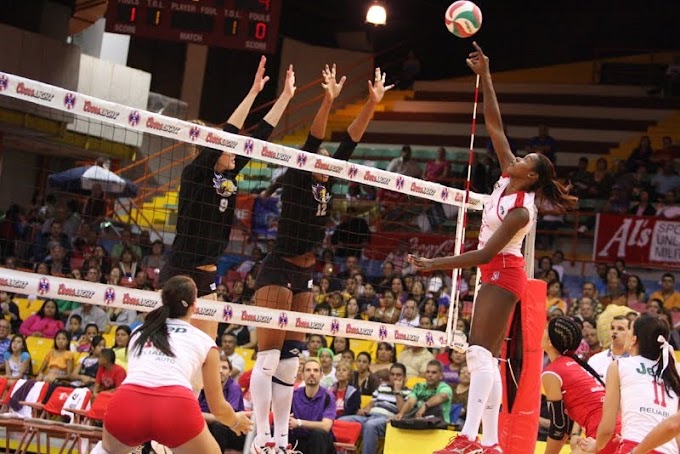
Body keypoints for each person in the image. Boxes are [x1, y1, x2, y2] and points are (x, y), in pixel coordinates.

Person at [411, 42, 577, 454]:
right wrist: (485, 74)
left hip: (504, 272)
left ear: (532, 176)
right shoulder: (507, 176)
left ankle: (470, 436)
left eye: (527, 158)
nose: (517, 156)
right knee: (486, 356)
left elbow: (486, 255)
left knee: (478, 352)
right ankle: (490, 442)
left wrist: (436, 264)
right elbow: (494, 124)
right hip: (494, 272)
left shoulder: (522, 211)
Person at [250, 66, 391, 453]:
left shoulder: (329, 181)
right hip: (277, 268)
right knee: (267, 358)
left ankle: (279, 442)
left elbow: (350, 142)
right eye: (321, 159)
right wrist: (328, 100)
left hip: (305, 275)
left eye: (332, 161)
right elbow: (316, 139)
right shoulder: (299, 177)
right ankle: (261, 437)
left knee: (290, 364)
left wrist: (372, 104)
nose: (328, 162)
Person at [157, 57, 295, 302]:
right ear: (213, 152)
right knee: (162, 337)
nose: (234, 151)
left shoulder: (229, 171)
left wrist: (284, 97)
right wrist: (253, 92)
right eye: (228, 147)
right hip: (180, 269)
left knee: (209, 340)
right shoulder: (195, 174)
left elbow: (259, 137)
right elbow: (229, 133)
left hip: (208, 272)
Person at [94, 275, 252, 454]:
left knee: (106, 450)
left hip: (129, 401)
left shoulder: (138, 332)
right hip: (175, 407)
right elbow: (218, 407)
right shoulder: (205, 341)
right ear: (194, 306)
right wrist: (235, 421)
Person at [579, 314, 680, 454]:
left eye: (629, 329)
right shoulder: (674, 372)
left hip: (635, 446)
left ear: (634, 339)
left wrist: (596, 446)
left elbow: (608, 427)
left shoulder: (620, 365)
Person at [541, 317, 621, 454]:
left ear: (550, 342)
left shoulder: (552, 372)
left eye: (545, 330)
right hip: (616, 429)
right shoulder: (575, 364)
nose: (542, 332)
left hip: (604, 433)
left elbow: (558, 427)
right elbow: (563, 426)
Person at [339, 362, 410, 454]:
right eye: (392, 374)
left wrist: (397, 391)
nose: (395, 377)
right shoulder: (382, 387)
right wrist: (365, 409)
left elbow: (402, 411)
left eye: (398, 375)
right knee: (342, 421)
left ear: (404, 377)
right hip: (370, 416)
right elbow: (372, 402)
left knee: (370, 425)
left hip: (386, 420)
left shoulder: (408, 392)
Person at [288, 359, 336, 454]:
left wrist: (299, 423)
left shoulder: (328, 397)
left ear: (321, 375)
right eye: (308, 370)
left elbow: (326, 426)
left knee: (318, 434)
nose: (312, 373)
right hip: (299, 440)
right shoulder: (294, 395)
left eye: (316, 370)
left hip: (321, 444)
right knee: (275, 430)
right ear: (302, 374)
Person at [200, 357, 246, 453]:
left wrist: (205, 417)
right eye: (217, 367)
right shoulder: (202, 386)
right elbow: (193, 414)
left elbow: (227, 418)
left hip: (236, 431)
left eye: (224, 368)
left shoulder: (234, 387)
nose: (220, 371)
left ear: (230, 372)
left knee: (218, 426)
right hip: (209, 426)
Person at [587, 315, 631, 381]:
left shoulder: (636, 361)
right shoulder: (594, 360)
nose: (614, 332)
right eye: (612, 328)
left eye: (620, 329)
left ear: (630, 333)